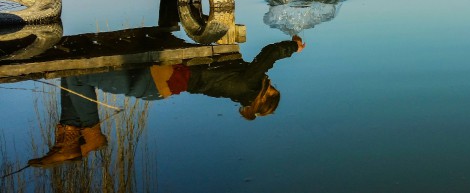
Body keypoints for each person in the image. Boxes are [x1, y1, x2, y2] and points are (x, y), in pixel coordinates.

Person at [28, 35, 305, 167]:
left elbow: (269, 53)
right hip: (162, 82)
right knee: (71, 73)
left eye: (272, 87)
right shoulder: (241, 90)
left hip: (159, 79)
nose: (270, 82)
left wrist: (293, 46)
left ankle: (91, 134)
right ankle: (69, 139)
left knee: (77, 75)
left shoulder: (249, 84)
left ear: (266, 95)